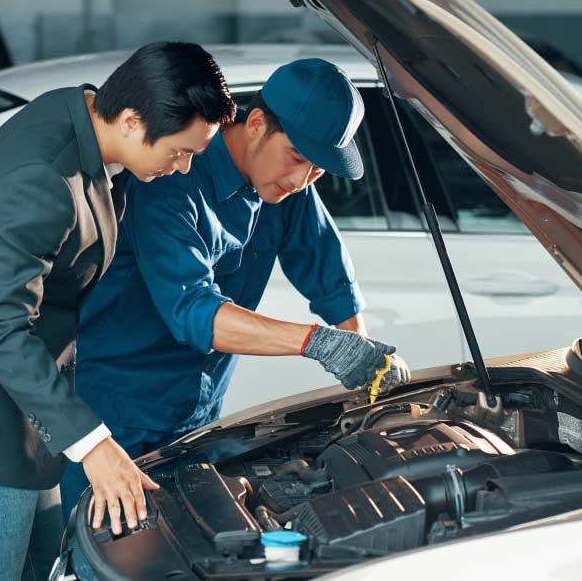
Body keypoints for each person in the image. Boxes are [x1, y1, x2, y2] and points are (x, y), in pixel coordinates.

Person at [0, 42, 236, 580]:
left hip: (25, 420)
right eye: (180, 151)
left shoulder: (78, 114)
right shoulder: (42, 180)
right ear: (130, 119)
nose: (185, 166)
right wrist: (95, 446)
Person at [59, 59, 410, 521]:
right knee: (105, 561)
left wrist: (366, 356)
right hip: (116, 418)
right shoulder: (171, 179)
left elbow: (327, 271)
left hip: (198, 419)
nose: (303, 181)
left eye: (319, 171)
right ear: (257, 124)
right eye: (299, 159)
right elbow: (193, 310)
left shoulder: (287, 187)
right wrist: (316, 343)